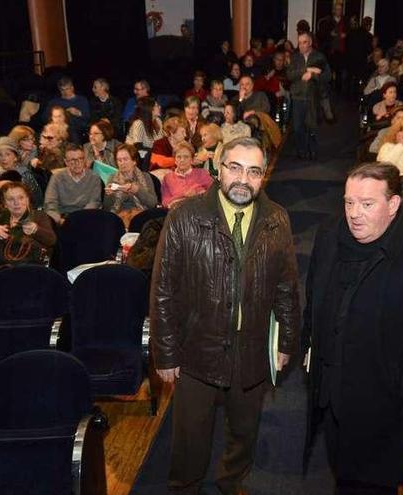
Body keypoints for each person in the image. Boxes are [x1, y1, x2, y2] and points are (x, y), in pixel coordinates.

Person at [151, 137, 300, 494]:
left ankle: (231, 482)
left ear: (263, 176)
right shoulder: (184, 217)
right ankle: (185, 487)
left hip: (251, 349)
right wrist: (166, 352)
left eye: (253, 171)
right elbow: (163, 290)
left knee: (245, 430)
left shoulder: (278, 219)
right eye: (235, 167)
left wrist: (287, 341)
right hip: (196, 349)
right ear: (219, 170)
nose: (243, 179)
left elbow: (286, 286)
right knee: (190, 437)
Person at [304, 161, 403, 493]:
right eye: (348, 202)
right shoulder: (330, 235)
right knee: (341, 475)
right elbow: (314, 299)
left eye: (367, 204)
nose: (354, 213)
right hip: (332, 397)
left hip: (385, 412)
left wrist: (396, 390)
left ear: (393, 204)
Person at [0, 182, 56, 270]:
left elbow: (52, 241)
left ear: (27, 199)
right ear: (4, 203)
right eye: (11, 199)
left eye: (21, 198)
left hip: (28, 268)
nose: (16, 202)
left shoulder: (39, 216)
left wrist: (36, 230)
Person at [287, 31, 331, 160]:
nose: (301, 45)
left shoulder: (319, 57)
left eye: (304, 42)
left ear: (310, 42)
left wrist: (313, 75)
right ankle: (301, 150)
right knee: (297, 127)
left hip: (313, 96)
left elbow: (327, 76)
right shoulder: (294, 57)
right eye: (299, 42)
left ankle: (312, 150)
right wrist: (306, 70)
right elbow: (289, 75)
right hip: (298, 96)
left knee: (312, 126)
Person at [43, 143, 102, 226]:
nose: (77, 163)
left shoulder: (94, 177)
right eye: (73, 160)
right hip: (62, 218)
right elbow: (50, 204)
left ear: (84, 160)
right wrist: (59, 220)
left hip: (85, 217)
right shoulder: (57, 178)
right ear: (66, 162)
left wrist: (78, 219)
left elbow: (94, 202)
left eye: (80, 159)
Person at [103, 144, 158, 225]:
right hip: (120, 216)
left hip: (142, 214)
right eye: (119, 160)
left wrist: (138, 191)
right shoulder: (112, 178)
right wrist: (109, 195)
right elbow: (107, 208)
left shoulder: (145, 177)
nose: (122, 163)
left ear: (134, 161)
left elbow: (153, 203)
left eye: (125, 159)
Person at [162, 141, 213, 208]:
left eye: (186, 157)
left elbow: (213, 194)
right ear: (175, 160)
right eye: (179, 157)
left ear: (192, 160)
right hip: (177, 211)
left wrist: (197, 193)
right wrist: (183, 196)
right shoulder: (167, 178)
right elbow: (165, 201)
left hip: (199, 208)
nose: (182, 160)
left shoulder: (202, 173)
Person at [44, 76, 91, 142]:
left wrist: (78, 113)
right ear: (59, 90)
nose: (65, 92)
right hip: (58, 126)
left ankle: (75, 148)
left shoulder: (81, 100)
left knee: (70, 125)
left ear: (72, 88)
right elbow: (45, 117)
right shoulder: (54, 102)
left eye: (67, 89)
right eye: (62, 90)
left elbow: (88, 117)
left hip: (77, 127)